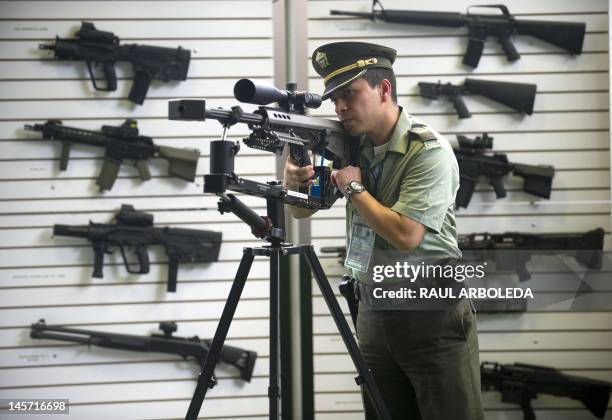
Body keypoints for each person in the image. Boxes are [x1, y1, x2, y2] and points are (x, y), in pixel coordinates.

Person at [283, 42, 484, 420]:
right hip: (372, 309)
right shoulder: (348, 146)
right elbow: (299, 210)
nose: (340, 107)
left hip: (429, 310)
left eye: (350, 94)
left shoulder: (428, 151)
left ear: (384, 90)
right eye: (334, 98)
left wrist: (355, 190)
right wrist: (294, 179)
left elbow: (406, 236)